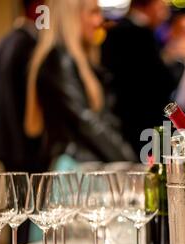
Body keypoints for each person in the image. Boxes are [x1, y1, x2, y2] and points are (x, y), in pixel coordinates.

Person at [25, 0, 137, 169]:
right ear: (71, 16)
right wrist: (130, 162)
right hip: (75, 171)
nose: (100, 20)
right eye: (93, 12)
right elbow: (86, 122)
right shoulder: (58, 59)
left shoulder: (79, 60)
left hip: (86, 168)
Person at [0, 0, 44, 244]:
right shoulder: (29, 45)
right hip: (27, 147)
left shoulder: (1, 44)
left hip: (6, 145)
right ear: (37, 8)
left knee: (16, 216)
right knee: (28, 217)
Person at [101, 0, 176, 155]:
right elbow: (163, 82)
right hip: (143, 124)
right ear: (148, 6)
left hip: (121, 120)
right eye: (161, 7)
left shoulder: (114, 31)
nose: (165, 14)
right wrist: (173, 60)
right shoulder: (141, 34)